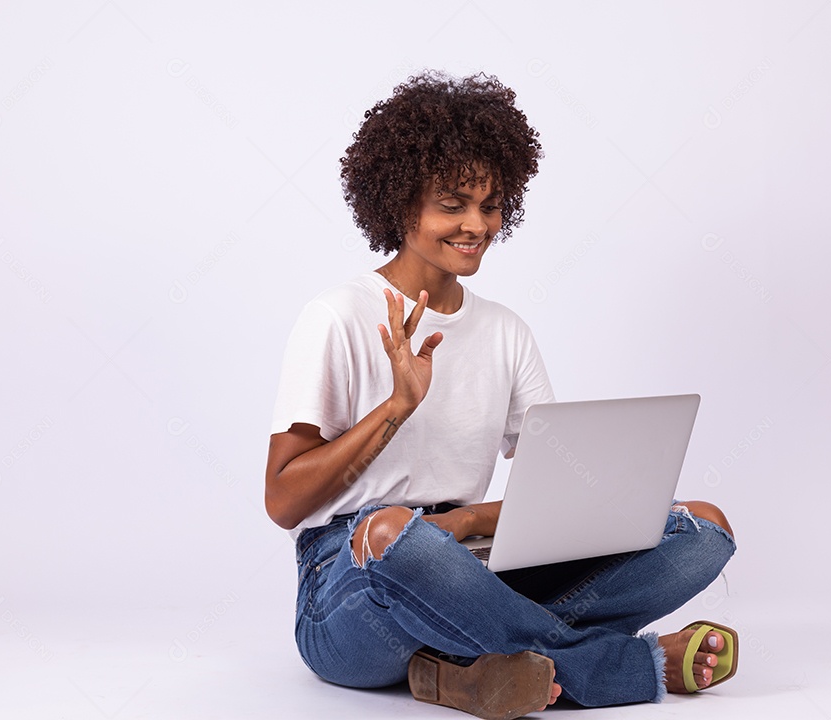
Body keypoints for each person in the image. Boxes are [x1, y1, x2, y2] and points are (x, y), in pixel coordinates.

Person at [265, 71, 738, 719]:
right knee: (395, 532)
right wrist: (395, 409)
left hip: (471, 568)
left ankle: (467, 667)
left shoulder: (504, 331)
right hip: (352, 584)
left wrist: (463, 523)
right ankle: (625, 667)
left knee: (704, 527)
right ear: (401, 204)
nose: (476, 225)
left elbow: (555, 500)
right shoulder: (339, 315)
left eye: (490, 206)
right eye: (453, 204)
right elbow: (283, 502)